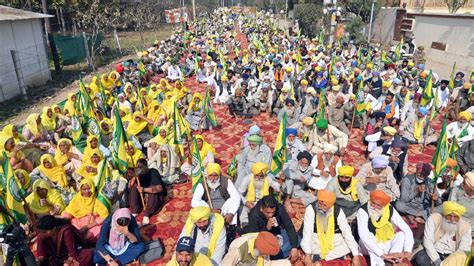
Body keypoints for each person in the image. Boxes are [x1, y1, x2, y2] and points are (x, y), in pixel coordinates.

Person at [301, 190, 361, 265]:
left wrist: (356, 256)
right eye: (319, 203)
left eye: (325, 205)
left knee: (349, 246)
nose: (321, 207)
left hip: (334, 240)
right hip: (317, 239)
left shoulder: (338, 210)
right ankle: (334, 256)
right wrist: (307, 255)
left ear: (331, 205)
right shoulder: (311, 208)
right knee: (305, 243)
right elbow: (307, 231)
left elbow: (347, 232)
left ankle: (321, 257)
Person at [357, 190, 413, 265]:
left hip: (385, 242)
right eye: (373, 203)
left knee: (401, 234)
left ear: (383, 205)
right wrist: (382, 254)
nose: (374, 207)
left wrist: (408, 250)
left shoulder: (389, 209)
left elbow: (406, 228)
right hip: (368, 246)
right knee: (370, 237)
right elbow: (364, 235)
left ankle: (394, 258)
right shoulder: (363, 211)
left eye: (378, 205)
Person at [191, 162, 240, 244]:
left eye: (215, 175)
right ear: (207, 175)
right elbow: (194, 201)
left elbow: (236, 197)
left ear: (219, 175)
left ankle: (230, 230)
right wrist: (210, 210)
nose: (213, 178)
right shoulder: (202, 183)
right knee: (199, 203)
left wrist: (231, 213)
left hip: (224, 209)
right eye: (211, 175)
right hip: (209, 209)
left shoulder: (225, 181)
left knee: (233, 201)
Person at [240, 195, 299, 262]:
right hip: (261, 237)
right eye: (267, 212)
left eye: (273, 212)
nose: (270, 215)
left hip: (276, 233)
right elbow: (255, 238)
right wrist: (267, 228)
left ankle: (281, 254)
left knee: (297, 238)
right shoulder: (254, 215)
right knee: (272, 252)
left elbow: (289, 227)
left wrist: (294, 248)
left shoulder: (280, 208)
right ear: (261, 209)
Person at [414, 201, 472, 266]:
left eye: (455, 217)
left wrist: (449, 262)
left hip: (451, 255)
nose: (452, 219)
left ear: (459, 217)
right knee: (421, 258)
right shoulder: (434, 218)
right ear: (444, 215)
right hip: (433, 251)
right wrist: (437, 261)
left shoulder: (466, 226)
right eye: (449, 216)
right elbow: (428, 242)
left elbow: (463, 249)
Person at [62, 178, 109, 243]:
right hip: (78, 221)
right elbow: (69, 210)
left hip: (93, 222)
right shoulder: (78, 198)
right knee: (70, 227)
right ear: (81, 189)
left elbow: (104, 216)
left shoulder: (98, 198)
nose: (87, 191)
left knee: (98, 232)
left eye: (89, 188)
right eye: (84, 189)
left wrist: (87, 227)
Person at [129, 158, 166, 225]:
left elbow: (159, 188)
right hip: (144, 196)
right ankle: (135, 211)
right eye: (138, 168)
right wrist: (134, 178)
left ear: (146, 167)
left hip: (155, 197)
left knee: (151, 188)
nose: (139, 169)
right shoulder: (139, 175)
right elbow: (130, 186)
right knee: (134, 187)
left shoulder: (153, 172)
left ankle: (147, 214)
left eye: (141, 167)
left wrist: (144, 189)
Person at [222, 231, 290, 265]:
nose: (265, 255)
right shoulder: (237, 249)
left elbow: (266, 263)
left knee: (286, 263)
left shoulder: (264, 242)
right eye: (264, 253)